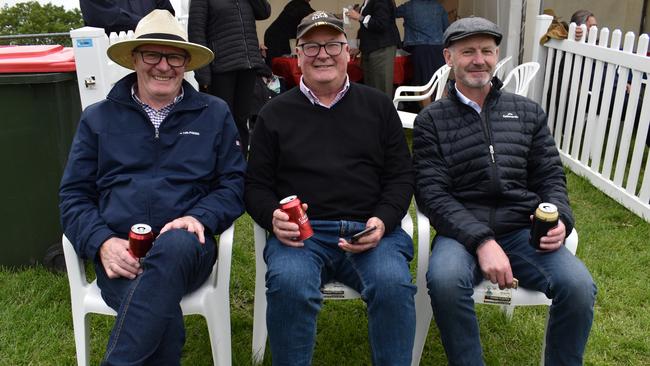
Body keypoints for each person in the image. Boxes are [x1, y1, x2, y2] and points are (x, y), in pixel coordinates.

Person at [59, 10, 246, 365]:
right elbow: (74, 195)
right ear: (134, 59)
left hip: (188, 247)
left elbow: (234, 183)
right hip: (121, 252)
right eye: (152, 55)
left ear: (187, 63)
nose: (164, 66)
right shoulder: (98, 118)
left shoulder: (214, 113)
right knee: (164, 323)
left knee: (175, 244)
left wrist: (200, 218)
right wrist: (102, 243)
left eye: (174, 56)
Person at [412, 17, 597, 365]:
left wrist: (562, 219)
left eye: (486, 51)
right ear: (448, 58)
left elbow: (551, 177)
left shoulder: (527, 113)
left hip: (523, 230)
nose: (478, 59)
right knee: (446, 280)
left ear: (497, 55)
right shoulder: (431, 121)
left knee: (577, 286)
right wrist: (482, 241)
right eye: (468, 51)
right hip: (461, 233)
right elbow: (432, 194)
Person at [245, 11, 416, 365]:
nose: (323, 54)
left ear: (348, 52)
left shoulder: (379, 106)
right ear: (297, 56)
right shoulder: (273, 114)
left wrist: (383, 221)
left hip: (370, 233)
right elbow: (255, 186)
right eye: (311, 46)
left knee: (392, 285)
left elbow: (401, 176)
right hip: (303, 237)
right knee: (290, 285)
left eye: (333, 44)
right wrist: (272, 217)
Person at [188, 0, 271, 155]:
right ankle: (219, 164)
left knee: (242, 120)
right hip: (220, 68)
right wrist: (203, 73)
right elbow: (196, 31)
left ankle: (240, 164)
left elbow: (264, 12)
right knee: (220, 121)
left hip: (248, 66)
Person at [347, 0, 401, 96]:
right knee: (371, 88)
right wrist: (359, 47)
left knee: (381, 87)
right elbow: (365, 28)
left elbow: (381, 24)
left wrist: (359, 17)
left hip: (381, 47)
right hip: (370, 48)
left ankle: (383, 110)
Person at [396, 0, 449, 93]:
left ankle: (427, 108)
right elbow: (446, 28)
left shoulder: (409, 6)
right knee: (441, 83)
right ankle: (443, 107)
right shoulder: (438, 6)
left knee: (424, 85)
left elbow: (390, 13)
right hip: (438, 48)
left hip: (420, 49)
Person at [263, 0, 315, 67]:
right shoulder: (298, 6)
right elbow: (316, 17)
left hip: (276, 38)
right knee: (277, 68)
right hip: (276, 40)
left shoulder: (298, 5)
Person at [79, 0, 175, 35]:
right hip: (110, 59)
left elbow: (167, 13)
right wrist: (147, 24)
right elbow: (103, 17)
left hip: (154, 54)